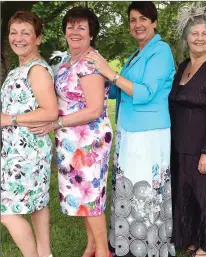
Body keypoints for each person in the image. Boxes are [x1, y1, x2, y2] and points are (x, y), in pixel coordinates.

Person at [84, 2, 175, 257]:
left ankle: (146, 248)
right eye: (133, 20)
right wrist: (94, 75)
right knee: (128, 187)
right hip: (128, 130)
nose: (138, 24)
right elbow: (115, 90)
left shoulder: (161, 51)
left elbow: (145, 93)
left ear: (154, 22)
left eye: (143, 19)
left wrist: (110, 73)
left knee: (143, 190)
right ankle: (126, 244)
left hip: (147, 133)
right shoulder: (136, 54)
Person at [29, 6, 113, 257]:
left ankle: (103, 251)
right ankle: (91, 245)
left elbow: (95, 109)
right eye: (70, 26)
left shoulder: (90, 62)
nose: (74, 31)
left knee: (92, 201)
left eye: (81, 27)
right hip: (70, 141)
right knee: (83, 200)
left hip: (89, 141)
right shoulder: (67, 61)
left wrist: (57, 124)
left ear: (91, 34)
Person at [169, 3, 206, 257]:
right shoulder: (183, 67)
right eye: (194, 33)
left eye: (205, 34)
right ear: (186, 38)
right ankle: (191, 237)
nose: (200, 38)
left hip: (200, 145)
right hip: (178, 143)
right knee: (184, 195)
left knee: (204, 196)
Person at [1, 11, 58, 257]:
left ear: (38, 38)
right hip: (21, 150)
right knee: (37, 204)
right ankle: (45, 255)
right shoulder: (19, 68)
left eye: (26, 33)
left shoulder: (36, 70)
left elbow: (51, 111)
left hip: (26, 153)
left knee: (6, 212)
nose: (18, 38)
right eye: (14, 32)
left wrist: (9, 119)